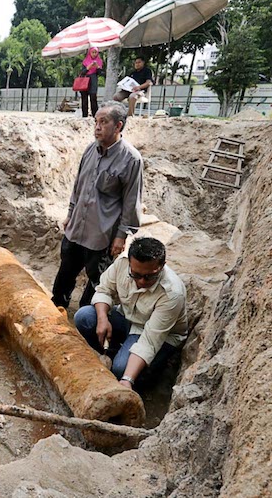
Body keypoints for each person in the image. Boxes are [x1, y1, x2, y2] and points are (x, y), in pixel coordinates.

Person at [51, 101, 143, 309]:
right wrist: (70, 213)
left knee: (97, 282)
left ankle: (85, 322)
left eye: (103, 122)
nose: (97, 127)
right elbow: (78, 185)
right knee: (65, 273)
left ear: (118, 126)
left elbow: (131, 201)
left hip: (102, 234)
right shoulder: (90, 150)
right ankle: (57, 307)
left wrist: (121, 235)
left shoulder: (131, 159)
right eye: (96, 122)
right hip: (76, 229)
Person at [74, 237, 187, 391]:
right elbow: (104, 290)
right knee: (84, 317)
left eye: (149, 276)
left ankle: (145, 373)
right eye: (136, 275)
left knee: (121, 370)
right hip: (127, 316)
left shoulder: (172, 294)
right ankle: (115, 352)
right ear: (130, 264)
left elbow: (149, 341)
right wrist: (102, 319)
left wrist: (127, 379)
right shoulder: (122, 263)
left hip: (155, 334)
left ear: (162, 267)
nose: (141, 281)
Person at [80, 47, 103, 118]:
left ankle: (95, 116)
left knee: (93, 98)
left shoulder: (99, 61)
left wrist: (97, 67)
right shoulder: (85, 61)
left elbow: (101, 73)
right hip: (85, 80)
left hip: (93, 80)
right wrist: (88, 67)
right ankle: (84, 116)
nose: (94, 54)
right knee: (84, 99)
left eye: (95, 52)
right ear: (90, 53)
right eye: (92, 52)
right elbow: (82, 73)